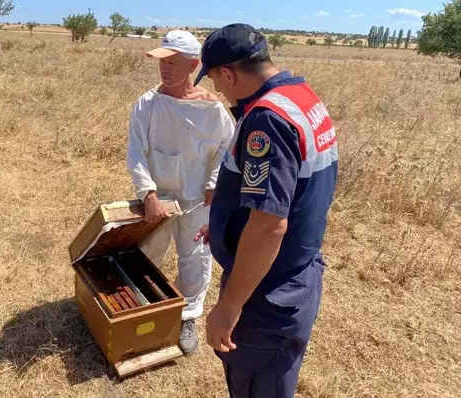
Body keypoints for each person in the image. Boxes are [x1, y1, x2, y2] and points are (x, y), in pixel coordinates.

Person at [194, 23, 338, 397]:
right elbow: (297, 192)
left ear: (229, 73)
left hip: (266, 294)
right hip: (292, 277)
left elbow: (270, 225)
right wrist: (227, 225)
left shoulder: (266, 120)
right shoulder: (300, 96)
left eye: (214, 79)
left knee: (259, 385)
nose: (217, 89)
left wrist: (228, 308)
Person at [126, 30, 235, 355]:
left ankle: (187, 316)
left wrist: (216, 182)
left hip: (197, 199)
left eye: (174, 62)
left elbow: (227, 146)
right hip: (158, 199)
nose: (165, 69)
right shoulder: (147, 104)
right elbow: (136, 153)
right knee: (147, 254)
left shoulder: (213, 109)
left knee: (194, 257)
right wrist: (148, 195)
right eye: (162, 61)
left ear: (193, 65)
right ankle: (141, 308)